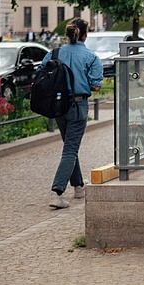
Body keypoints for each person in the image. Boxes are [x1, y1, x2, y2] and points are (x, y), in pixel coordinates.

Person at [44, 19, 104, 210]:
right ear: (85, 34)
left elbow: (41, 73)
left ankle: (78, 186)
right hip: (77, 106)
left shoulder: (54, 53)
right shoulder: (90, 56)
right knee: (70, 148)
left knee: (70, 145)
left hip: (57, 107)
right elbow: (96, 85)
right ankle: (57, 192)